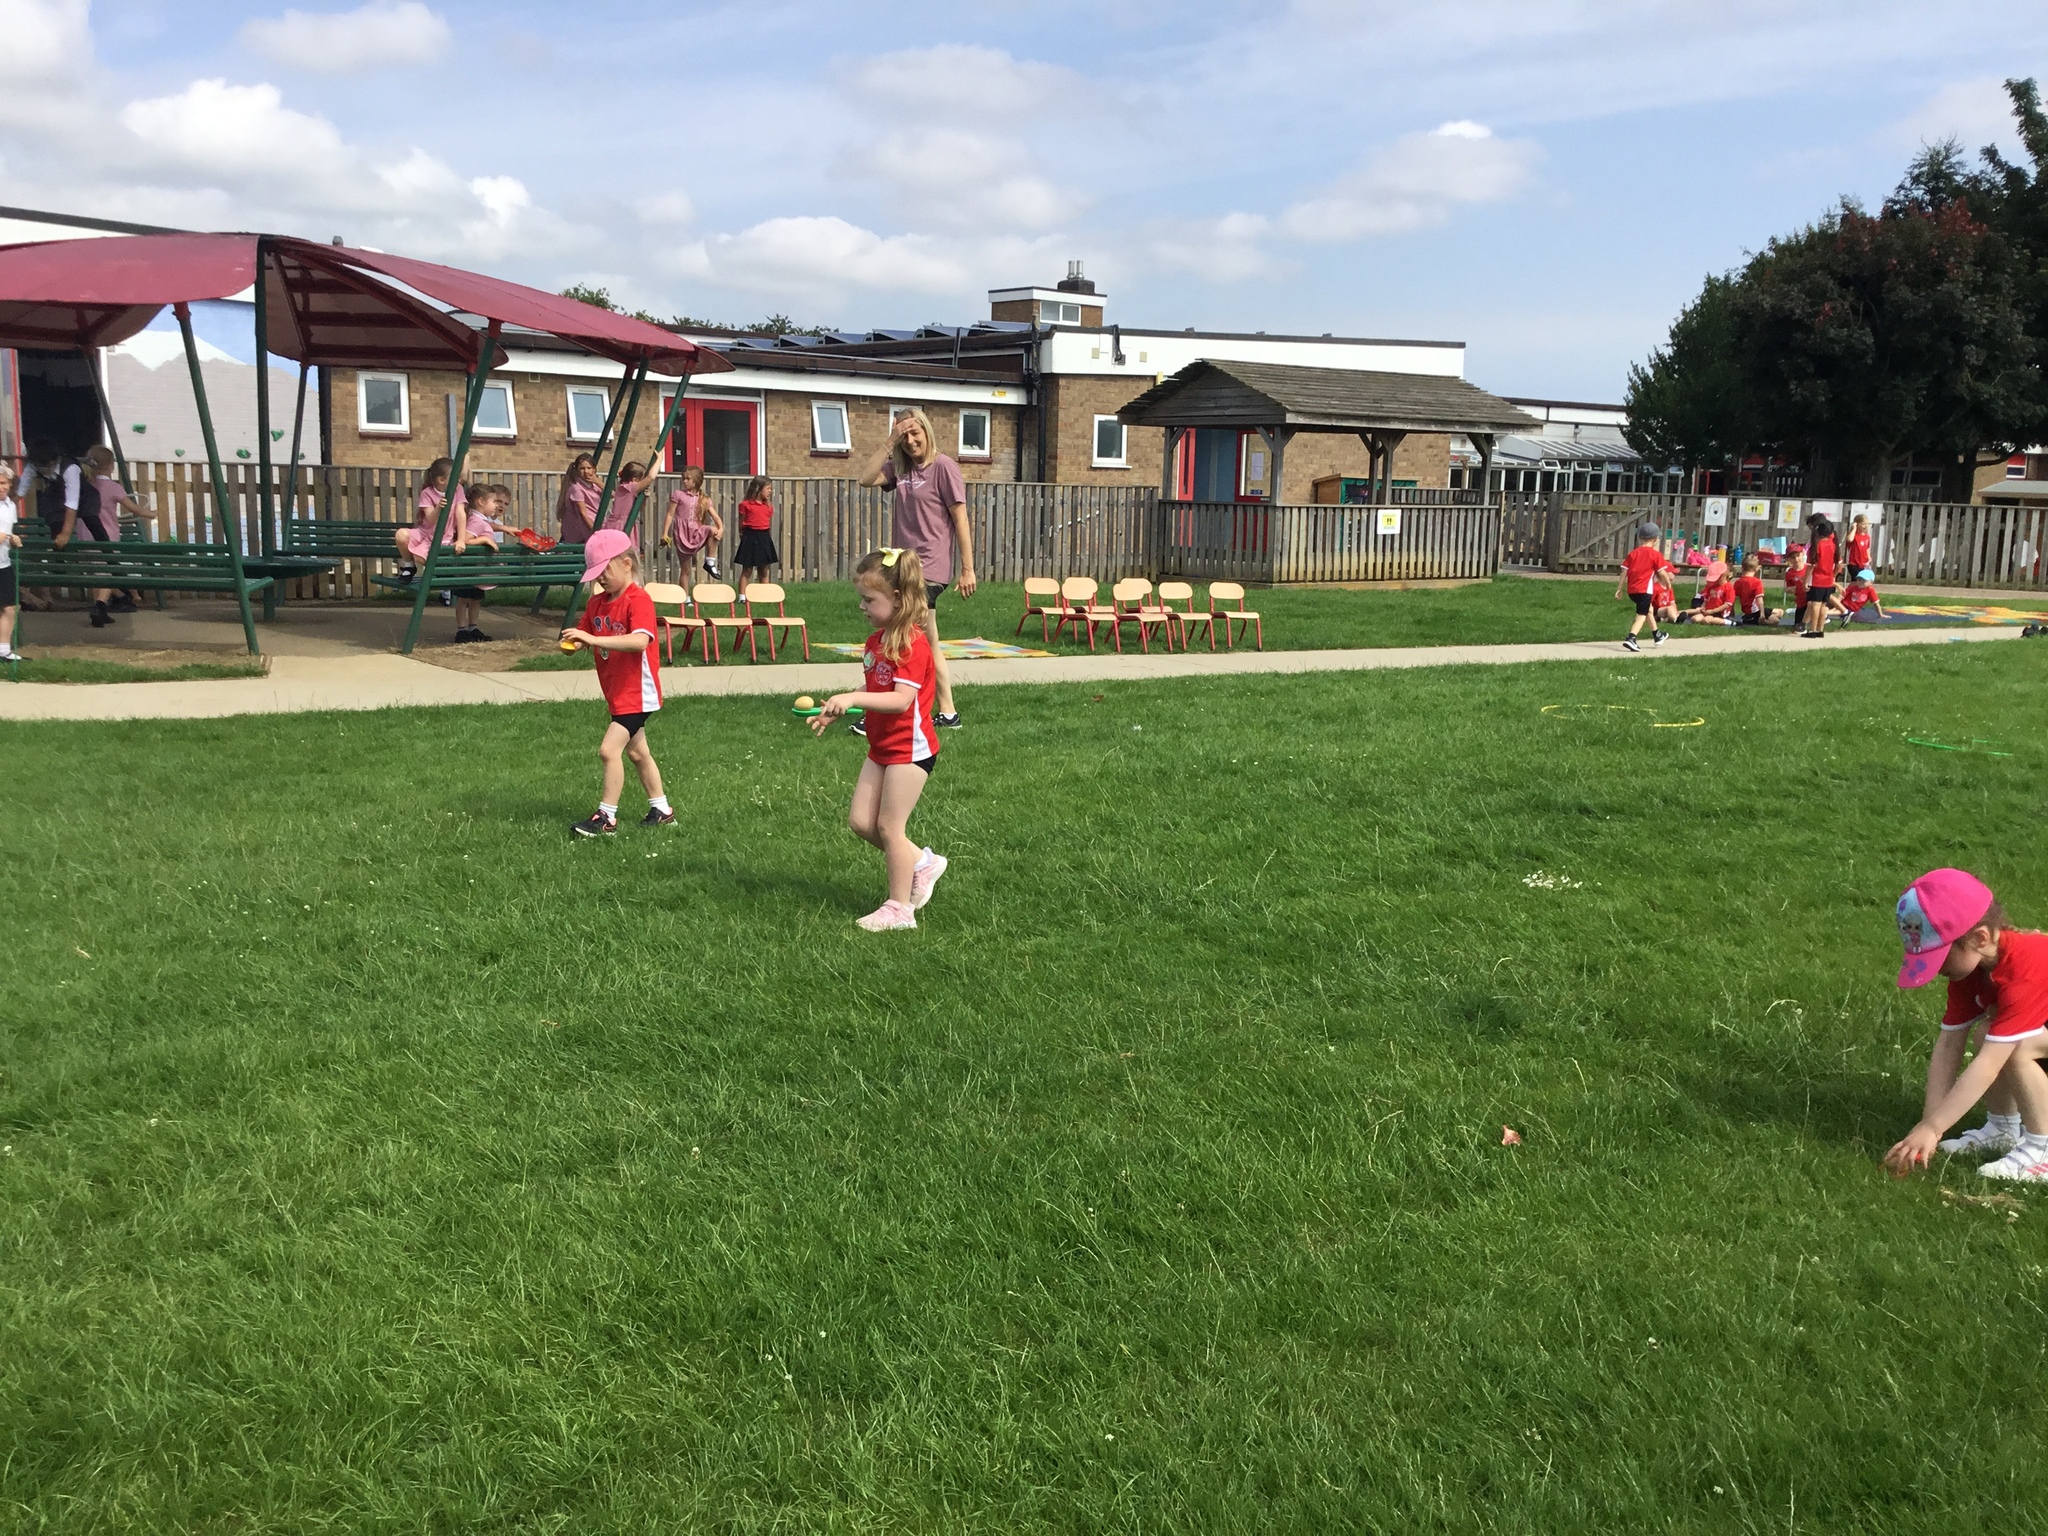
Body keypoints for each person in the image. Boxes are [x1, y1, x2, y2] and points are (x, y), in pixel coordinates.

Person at [812, 547, 947, 931]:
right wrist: (841, 706)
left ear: (898, 599)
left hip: (910, 749)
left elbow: (901, 700)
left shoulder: (913, 644)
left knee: (889, 827)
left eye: (870, 600)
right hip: (882, 746)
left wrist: (853, 699)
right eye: (862, 598)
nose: (862, 606)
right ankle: (922, 863)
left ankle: (899, 908)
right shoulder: (876, 643)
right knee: (860, 822)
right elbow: (876, 688)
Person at [1883, 869, 2048, 1182]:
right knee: (1989, 1033)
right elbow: (1949, 1045)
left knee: (2016, 1046)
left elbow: (1989, 1065)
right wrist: (1927, 1124)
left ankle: (2043, 1149)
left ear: (1979, 938)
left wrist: (1934, 1129)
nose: (1936, 969)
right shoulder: (1970, 972)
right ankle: (2002, 1129)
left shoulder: (2026, 966)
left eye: (1941, 955)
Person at [860, 407, 974, 730]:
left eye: (915, 433)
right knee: (922, 639)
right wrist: (890, 441)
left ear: (926, 431)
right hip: (904, 567)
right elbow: (865, 479)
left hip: (931, 568)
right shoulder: (900, 469)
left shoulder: (944, 467)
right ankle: (945, 712)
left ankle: (889, 709)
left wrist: (967, 568)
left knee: (905, 635)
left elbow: (960, 518)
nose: (910, 441)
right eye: (904, 435)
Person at [558, 529, 673, 836]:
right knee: (638, 753)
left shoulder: (639, 600)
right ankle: (662, 809)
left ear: (626, 564)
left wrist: (593, 639)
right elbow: (585, 634)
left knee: (609, 751)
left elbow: (639, 641)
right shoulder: (597, 603)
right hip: (617, 692)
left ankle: (606, 817)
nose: (600, 579)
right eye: (596, 574)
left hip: (638, 693)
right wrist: (574, 643)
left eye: (605, 571)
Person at [82, 446, 156, 616]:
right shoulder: (113, 487)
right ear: (111, 465)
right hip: (106, 536)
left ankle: (101, 604)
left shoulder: (85, 486)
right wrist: (151, 514)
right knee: (107, 573)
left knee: (95, 574)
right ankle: (101, 605)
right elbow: (134, 509)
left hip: (85, 535)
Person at [452, 483, 512, 643]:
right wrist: (484, 539)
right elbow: (465, 540)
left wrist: (504, 528)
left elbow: (487, 525)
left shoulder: (478, 519)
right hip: (468, 568)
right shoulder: (475, 521)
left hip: (476, 568)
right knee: (464, 599)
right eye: (494, 502)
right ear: (480, 501)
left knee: (475, 598)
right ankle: (462, 629)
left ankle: (472, 627)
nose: (496, 506)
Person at [1615, 522, 1672, 653]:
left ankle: (1657, 635)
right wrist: (1668, 583)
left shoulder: (1633, 553)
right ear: (1655, 539)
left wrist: (1620, 588)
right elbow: (1662, 572)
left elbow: (1624, 571)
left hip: (1632, 590)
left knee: (1649, 610)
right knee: (1642, 614)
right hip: (1645, 590)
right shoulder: (1655, 554)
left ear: (1640, 537)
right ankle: (1631, 638)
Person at [664, 465, 724, 583]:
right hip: (682, 534)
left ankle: (710, 562)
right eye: (683, 479)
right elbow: (670, 514)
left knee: (713, 531)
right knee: (685, 569)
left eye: (688, 479)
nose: (684, 481)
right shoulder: (678, 494)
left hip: (696, 532)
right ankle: (685, 594)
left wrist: (721, 528)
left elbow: (715, 516)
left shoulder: (704, 499)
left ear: (696, 481)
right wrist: (665, 533)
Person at [733, 475, 778, 595]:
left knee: (764, 569)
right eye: (768, 488)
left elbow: (767, 523)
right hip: (750, 537)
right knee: (747, 569)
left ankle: (764, 595)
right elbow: (741, 523)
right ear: (758, 488)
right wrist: (743, 536)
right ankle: (742, 596)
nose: (770, 491)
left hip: (764, 537)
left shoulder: (768, 507)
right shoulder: (745, 505)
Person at [1801, 513, 1838, 638]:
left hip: (1817, 578)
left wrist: (1805, 581)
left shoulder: (1817, 546)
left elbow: (1811, 565)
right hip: (1828, 578)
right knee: (1823, 605)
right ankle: (1820, 630)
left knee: (1815, 604)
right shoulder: (1832, 544)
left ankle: (1812, 630)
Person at [606, 460, 659, 540]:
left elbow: (641, 508)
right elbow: (650, 477)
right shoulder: (630, 487)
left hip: (617, 524)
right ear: (634, 479)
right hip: (623, 525)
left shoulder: (623, 487)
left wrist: (644, 498)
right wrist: (659, 459)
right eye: (642, 479)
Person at [556, 453, 602, 545]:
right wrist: (595, 531)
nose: (586, 471)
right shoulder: (576, 488)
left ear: (594, 469)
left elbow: (613, 494)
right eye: (582, 468)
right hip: (581, 531)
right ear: (577, 470)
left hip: (594, 522)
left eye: (589, 468)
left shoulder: (594, 485)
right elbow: (582, 513)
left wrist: (598, 482)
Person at [0, 463, 20, 661]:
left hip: (3, 563)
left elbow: (6, 534)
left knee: (9, 607)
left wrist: (12, 539)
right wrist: (7, 536)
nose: (2, 487)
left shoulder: (10, 506)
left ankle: (4, 650)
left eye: (4, 483)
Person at [1680, 560, 1735, 625]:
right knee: (1695, 618)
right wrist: (1703, 607)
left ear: (1724, 575)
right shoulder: (1712, 587)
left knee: (1706, 620)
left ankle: (1730, 623)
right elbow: (1706, 600)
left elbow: (1727, 604)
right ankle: (1681, 618)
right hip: (1708, 611)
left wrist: (1713, 611)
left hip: (1720, 613)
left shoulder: (1729, 588)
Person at [1732, 555, 1769, 625]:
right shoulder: (1757, 582)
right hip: (1756, 611)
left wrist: (1732, 613)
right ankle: (1762, 621)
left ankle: (1753, 620)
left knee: (1776, 614)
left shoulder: (1738, 582)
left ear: (1742, 568)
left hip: (1746, 612)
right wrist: (1762, 614)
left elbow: (1732, 599)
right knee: (1779, 613)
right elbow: (1759, 600)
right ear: (1757, 568)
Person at [1781, 544, 1809, 626]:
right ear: (1788, 559)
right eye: (1793, 558)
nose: (1796, 559)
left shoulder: (1809, 569)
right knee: (1797, 624)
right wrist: (1790, 589)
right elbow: (1787, 588)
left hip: (1810, 600)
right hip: (1800, 602)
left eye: (1798, 556)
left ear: (1803, 554)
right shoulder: (1790, 573)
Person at [1847, 512, 1873, 580]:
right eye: (1863, 524)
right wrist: (1854, 528)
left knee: (1863, 581)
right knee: (1856, 580)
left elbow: (1867, 548)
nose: (1866, 526)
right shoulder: (1854, 535)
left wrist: (1868, 556)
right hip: (1854, 563)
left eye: (1867, 524)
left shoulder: (1867, 537)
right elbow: (1849, 539)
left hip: (1863, 563)